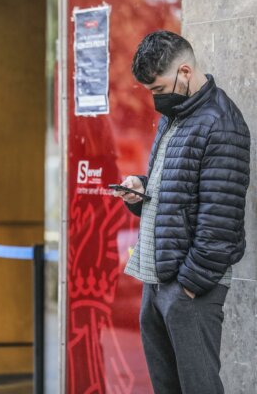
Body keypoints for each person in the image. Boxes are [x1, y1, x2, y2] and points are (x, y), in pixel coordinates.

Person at [114, 31, 250, 394]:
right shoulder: (175, 115)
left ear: (185, 72)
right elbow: (177, 192)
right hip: (158, 279)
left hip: (190, 288)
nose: (155, 98)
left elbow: (221, 222)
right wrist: (141, 190)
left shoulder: (222, 123)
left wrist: (187, 287)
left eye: (158, 89)